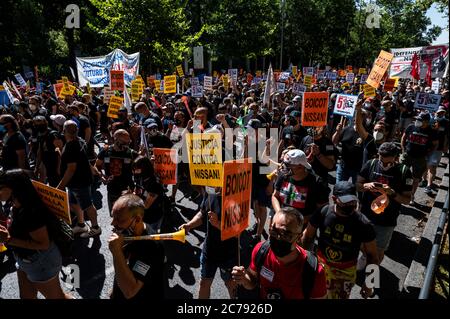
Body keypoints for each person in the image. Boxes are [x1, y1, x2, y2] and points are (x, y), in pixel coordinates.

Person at [0, 169, 71, 299]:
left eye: (1, 187)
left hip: (41, 263)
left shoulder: (31, 212)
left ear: (14, 188)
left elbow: (43, 244)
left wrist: (9, 240)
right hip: (24, 260)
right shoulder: (15, 203)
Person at [302, 181, 379, 299]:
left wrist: (370, 284)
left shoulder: (363, 224)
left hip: (345, 273)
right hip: (320, 267)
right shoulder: (323, 212)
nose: (350, 204)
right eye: (345, 201)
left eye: (352, 201)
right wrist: (304, 265)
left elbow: (373, 257)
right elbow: (307, 237)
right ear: (334, 199)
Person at [232, 207, 327, 299]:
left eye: (285, 235)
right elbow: (252, 283)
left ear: (299, 237)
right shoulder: (261, 251)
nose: (278, 238)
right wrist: (244, 278)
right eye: (273, 231)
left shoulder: (314, 271)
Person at [356, 142, 412, 263]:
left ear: (396, 157)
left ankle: (371, 278)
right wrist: (367, 185)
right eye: (382, 161)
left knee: (378, 251)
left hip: (387, 220)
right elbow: (357, 185)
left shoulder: (404, 171)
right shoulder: (371, 164)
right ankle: (365, 256)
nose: (384, 165)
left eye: (388, 163)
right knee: (361, 244)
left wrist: (392, 193)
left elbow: (407, 200)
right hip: (366, 214)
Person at [179, 188, 238, 299]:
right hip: (209, 250)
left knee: (231, 284)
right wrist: (189, 225)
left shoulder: (235, 196)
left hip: (228, 254)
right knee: (204, 283)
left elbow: (237, 233)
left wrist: (218, 224)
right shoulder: (210, 192)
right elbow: (202, 213)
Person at [109, 194, 165, 300]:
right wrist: (115, 290)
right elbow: (124, 265)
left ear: (138, 219)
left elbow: (130, 291)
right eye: (113, 217)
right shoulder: (127, 235)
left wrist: (116, 251)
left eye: (119, 219)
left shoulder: (151, 248)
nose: (113, 223)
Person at [57, 120, 101, 238]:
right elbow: (83, 159)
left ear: (64, 131)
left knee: (87, 205)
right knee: (74, 203)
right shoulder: (80, 141)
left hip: (79, 181)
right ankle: (81, 225)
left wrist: (60, 186)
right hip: (76, 181)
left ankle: (95, 228)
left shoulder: (72, 146)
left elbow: (71, 169)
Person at [272, 149, 329, 226]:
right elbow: (275, 196)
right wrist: (279, 213)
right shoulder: (283, 175)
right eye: (284, 163)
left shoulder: (317, 183)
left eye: (288, 165)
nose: (283, 166)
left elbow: (322, 210)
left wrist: (300, 221)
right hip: (281, 223)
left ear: (300, 167)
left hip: (302, 228)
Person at [96, 129, 138, 214]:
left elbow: (143, 165)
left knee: (126, 214)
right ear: (116, 139)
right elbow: (97, 165)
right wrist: (101, 176)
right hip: (112, 189)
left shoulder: (131, 153)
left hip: (127, 189)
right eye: (124, 142)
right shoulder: (106, 151)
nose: (126, 145)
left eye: (128, 142)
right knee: (114, 213)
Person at [400, 112, 438, 204]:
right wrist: (403, 150)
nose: (417, 121)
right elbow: (403, 138)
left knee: (415, 179)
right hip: (407, 155)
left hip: (420, 159)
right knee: (401, 174)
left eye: (420, 120)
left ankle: (411, 196)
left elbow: (435, 144)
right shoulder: (411, 127)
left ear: (427, 122)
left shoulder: (431, 131)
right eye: (417, 119)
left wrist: (428, 154)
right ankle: (399, 193)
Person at [131, 156, 167, 233]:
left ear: (144, 169)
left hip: (152, 216)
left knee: (151, 234)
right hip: (143, 214)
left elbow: (146, 205)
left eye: (136, 169)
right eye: (134, 169)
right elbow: (136, 190)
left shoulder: (154, 184)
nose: (134, 171)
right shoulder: (140, 177)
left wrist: (132, 201)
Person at [423, 106, 448, 194]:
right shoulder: (430, 120)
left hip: (438, 148)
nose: (440, 114)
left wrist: (445, 146)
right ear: (435, 112)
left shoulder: (446, 123)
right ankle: (425, 180)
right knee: (426, 165)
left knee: (432, 166)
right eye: (439, 112)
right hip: (427, 147)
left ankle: (429, 185)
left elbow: (446, 136)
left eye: (442, 112)